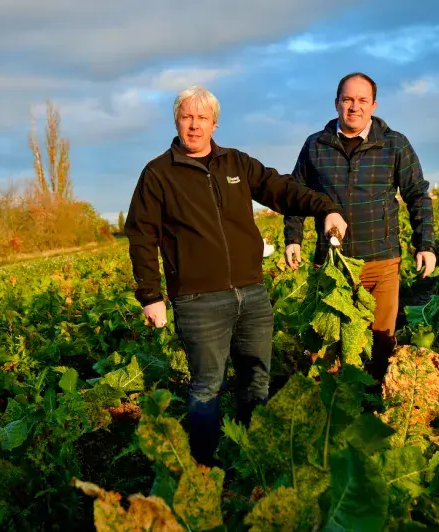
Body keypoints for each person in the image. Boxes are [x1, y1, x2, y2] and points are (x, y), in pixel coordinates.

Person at [124, 85, 347, 466]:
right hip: (198, 301)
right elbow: (142, 236)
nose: (194, 126)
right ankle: (203, 473)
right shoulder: (158, 174)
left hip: (252, 293)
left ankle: (251, 461)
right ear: (176, 121)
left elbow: (282, 189)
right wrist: (150, 295)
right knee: (208, 386)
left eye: (202, 118)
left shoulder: (236, 163)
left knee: (257, 380)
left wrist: (325, 207)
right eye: (187, 117)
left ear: (214, 123)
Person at [283, 72, 436, 382]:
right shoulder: (315, 146)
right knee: (326, 344)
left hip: (380, 261)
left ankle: (377, 406)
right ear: (337, 103)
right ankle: (330, 408)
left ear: (374, 105)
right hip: (332, 265)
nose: (355, 107)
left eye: (362, 100)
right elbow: (296, 195)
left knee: (381, 342)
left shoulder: (394, 144)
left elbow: (417, 195)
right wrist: (293, 238)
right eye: (348, 99)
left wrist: (426, 244)